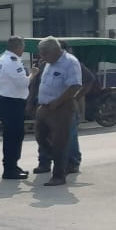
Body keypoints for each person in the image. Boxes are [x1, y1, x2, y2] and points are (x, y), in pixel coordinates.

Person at [31, 38, 83, 187]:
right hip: (45, 107)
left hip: (61, 108)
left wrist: (57, 102)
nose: (43, 58)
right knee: (40, 136)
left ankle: (59, 175)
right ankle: (58, 159)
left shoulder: (70, 62)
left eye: (44, 54)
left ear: (55, 50)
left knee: (60, 142)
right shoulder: (49, 63)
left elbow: (75, 86)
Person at [0, 36, 30, 179]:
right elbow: (23, 83)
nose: (23, 49)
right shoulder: (13, 62)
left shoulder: (1, 59)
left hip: (6, 100)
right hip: (13, 103)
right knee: (14, 136)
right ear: (17, 47)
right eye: (23, 46)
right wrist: (33, 74)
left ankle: (13, 165)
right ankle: (9, 169)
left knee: (11, 136)